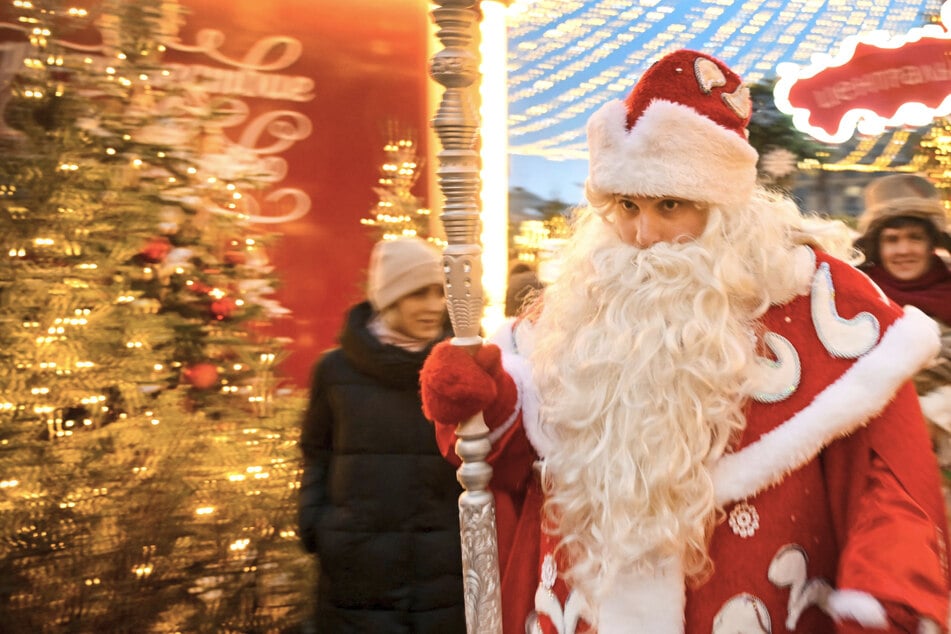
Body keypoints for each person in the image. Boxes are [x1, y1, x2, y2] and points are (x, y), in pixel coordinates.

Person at [420, 49, 950, 633]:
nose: (644, 235)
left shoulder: (824, 308)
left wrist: (885, 603)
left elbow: (890, 485)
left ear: (724, 209)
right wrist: (485, 404)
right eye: (626, 206)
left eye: (669, 205)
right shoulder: (575, 310)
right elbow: (512, 468)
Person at [298, 236, 466, 633]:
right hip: (356, 569)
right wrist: (318, 526)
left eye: (439, 293)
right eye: (417, 294)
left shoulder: (461, 366)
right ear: (388, 299)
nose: (432, 306)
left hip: (441, 568)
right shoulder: (336, 370)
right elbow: (315, 453)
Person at [854, 173, 951, 499]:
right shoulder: (858, 299)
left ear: (931, 242)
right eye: (892, 239)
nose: (904, 249)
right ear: (877, 247)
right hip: (878, 465)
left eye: (914, 238)